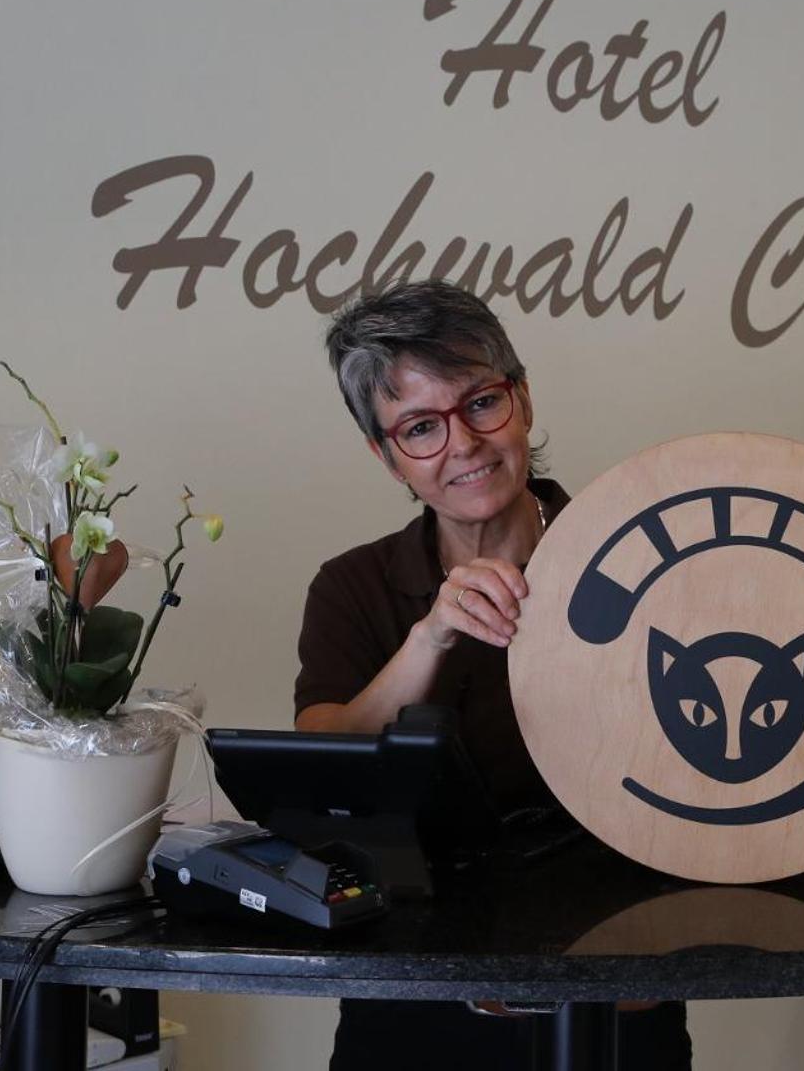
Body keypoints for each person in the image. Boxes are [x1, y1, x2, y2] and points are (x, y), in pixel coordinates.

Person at [294, 280, 692, 1071]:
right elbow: (318, 764)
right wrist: (430, 638)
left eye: (481, 402)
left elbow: (704, 784)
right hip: (410, 1014)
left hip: (616, 999)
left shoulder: (641, 558)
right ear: (385, 455)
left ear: (524, 399)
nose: (465, 443)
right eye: (420, 427)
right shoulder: (352, 586)